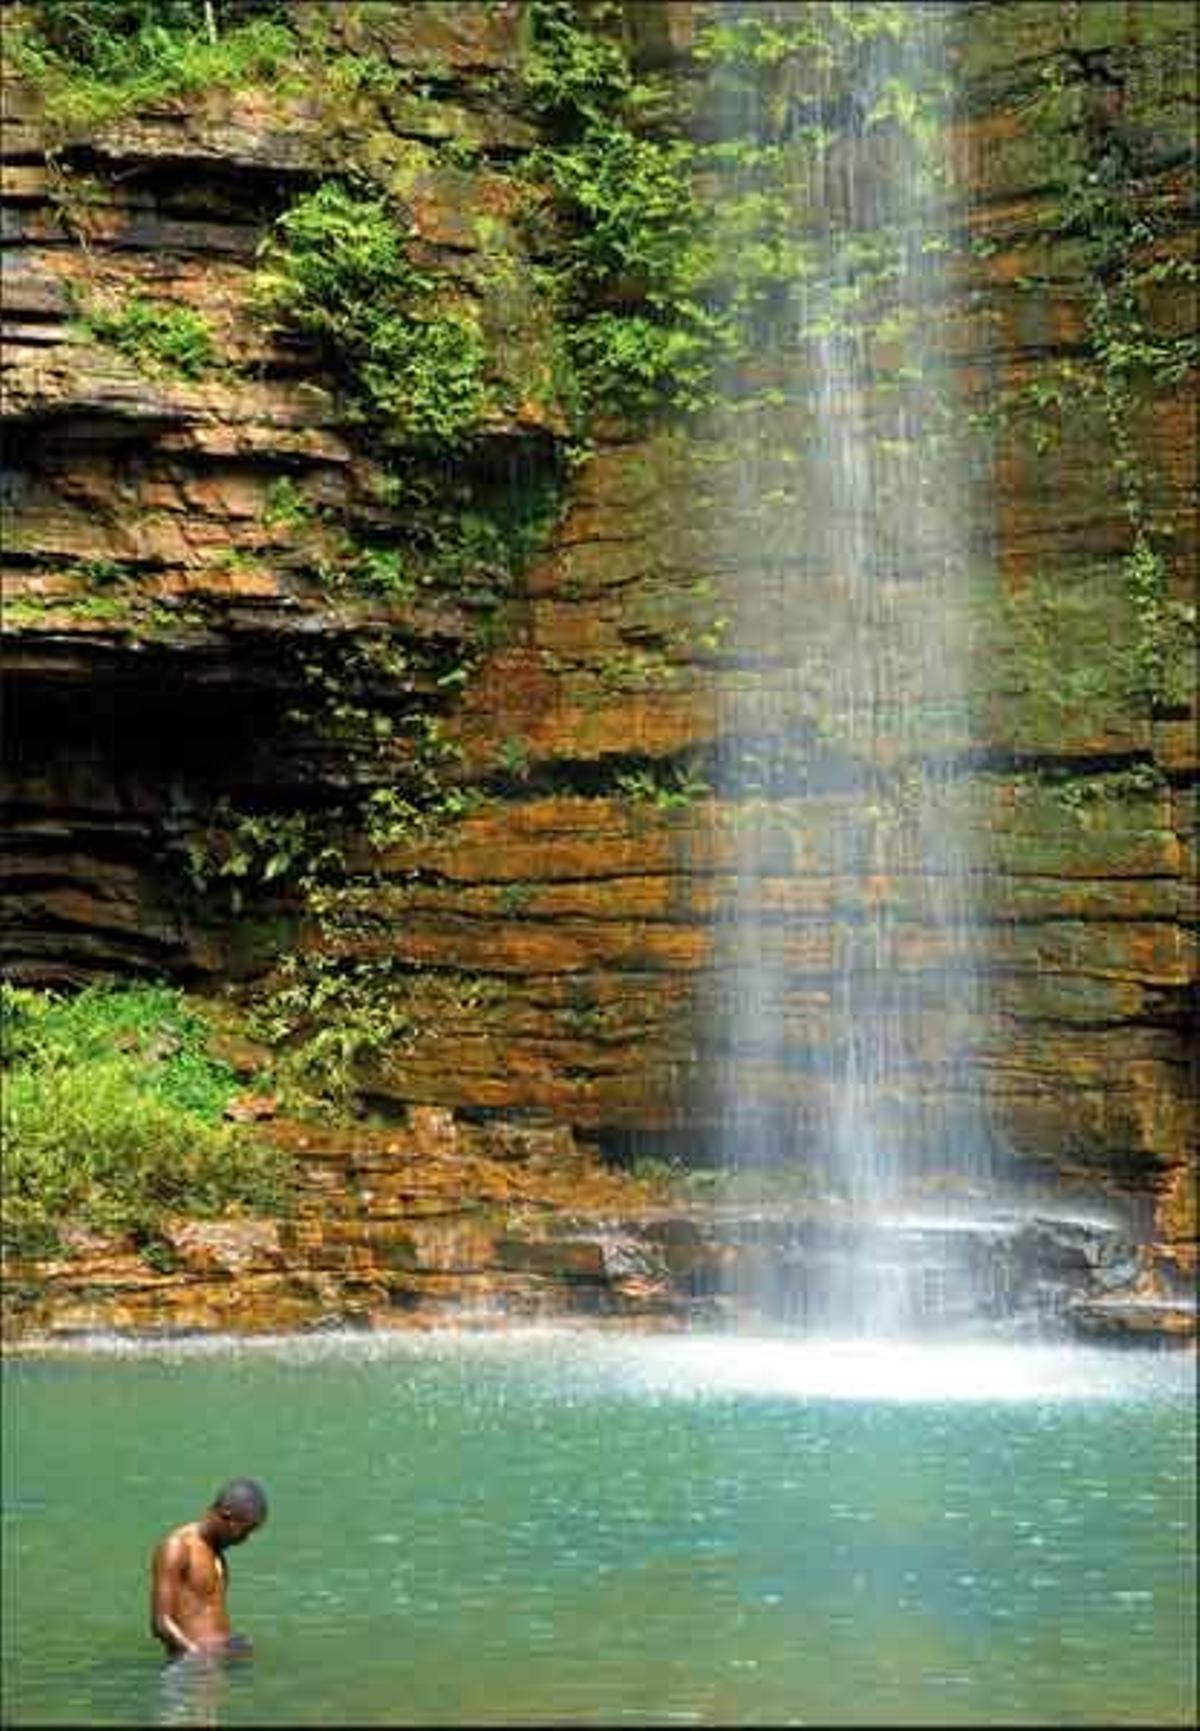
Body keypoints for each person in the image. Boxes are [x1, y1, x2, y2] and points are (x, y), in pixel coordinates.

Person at [150, 1478, 268, 1662]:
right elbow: (161, 1624)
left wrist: (229, 1645)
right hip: (189, 1668)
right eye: (244, 1531)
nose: (245, 1540)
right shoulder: (178, 1547)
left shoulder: (217, 1554)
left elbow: (208, 1616)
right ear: (227, 1518)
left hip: (216, 1664)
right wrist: (196, 1656)